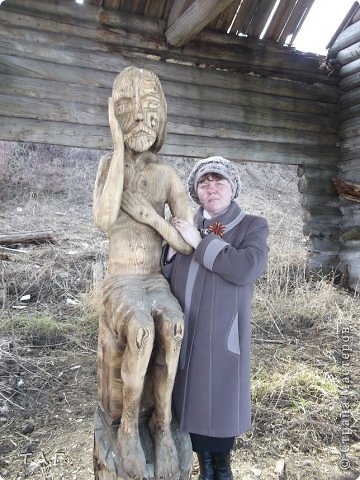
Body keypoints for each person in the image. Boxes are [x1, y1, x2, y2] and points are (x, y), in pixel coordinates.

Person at [93, 66, 193, 480]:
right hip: (119, 280)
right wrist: (118, 149)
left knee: (172, 326)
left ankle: (161, 423)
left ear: (162, 115)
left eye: (149, 108)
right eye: (128, 109)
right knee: (140, 330)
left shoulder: (167, 174)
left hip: (153, 277)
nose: (139, 119)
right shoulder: (108, 164)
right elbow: (103, 218)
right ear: (115, 114)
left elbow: (187, 242)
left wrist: (153, 218)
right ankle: (130, 425)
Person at [161, 156, 269, 480]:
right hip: (187, 331)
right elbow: (167, 273)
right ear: (196, 192)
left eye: (219, 180)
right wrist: (171, 248)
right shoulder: (183, 224)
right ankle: (204, 467)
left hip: (224, 335)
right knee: (191, 401)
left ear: (232, 188)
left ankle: (222, 468)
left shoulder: (252, 225)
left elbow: (247, 268)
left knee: (219, 403)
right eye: (204, 183)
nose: (212, 187)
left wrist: (200, 242)